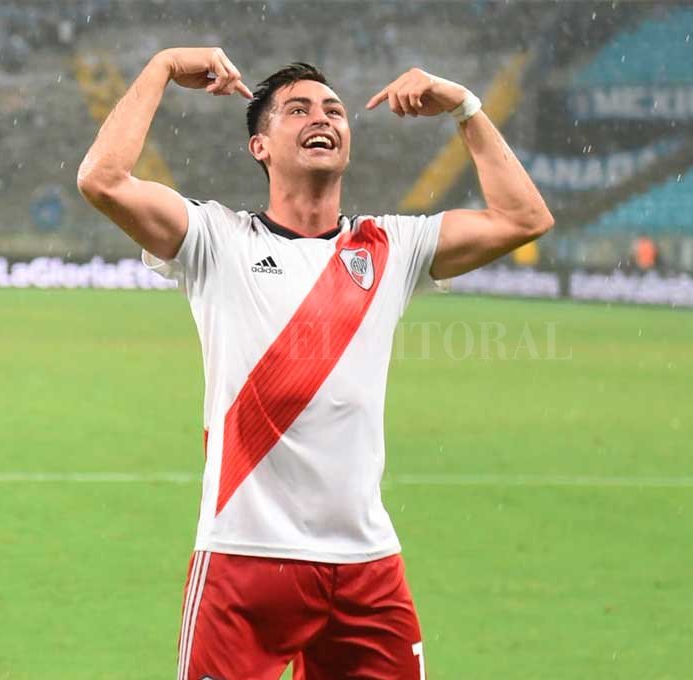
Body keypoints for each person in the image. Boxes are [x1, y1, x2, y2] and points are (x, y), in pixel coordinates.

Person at [77, 47, 553, 680]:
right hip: (244, 559)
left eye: (333, 109)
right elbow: (102, 180)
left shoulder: (391, 246)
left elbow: (525, 217)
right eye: (297, 110)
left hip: (366, 566)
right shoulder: (216, 241)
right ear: (260, 147)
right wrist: (162, 66)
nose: (322, 117)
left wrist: (464, 107)